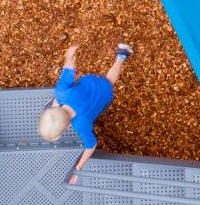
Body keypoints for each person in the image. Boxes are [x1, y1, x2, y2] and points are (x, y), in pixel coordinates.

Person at [41, 40, 133, 183]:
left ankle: (121, 57)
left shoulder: (81, 124)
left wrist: (78, 169)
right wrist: (70, 55)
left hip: (103, 94)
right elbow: (69, 68)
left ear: (67, 126)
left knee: (110, 80)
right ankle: (120, 56)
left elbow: (91, 145)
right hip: (90, 83)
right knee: (55, 101)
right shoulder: (61, 93)